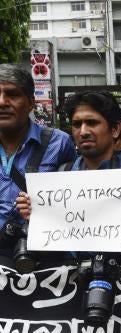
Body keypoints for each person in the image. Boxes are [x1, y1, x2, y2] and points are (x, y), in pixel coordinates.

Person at [17, 91, 121, 260]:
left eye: (92, 123)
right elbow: (50, 250)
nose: (83, 131)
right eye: (77, 124)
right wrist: (37, 221)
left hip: (119, 281)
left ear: (115, 129)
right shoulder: (62, 175)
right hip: (68, 282)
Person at [0, 63, 76, 253]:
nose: (2, 102)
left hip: (44, 261)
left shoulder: (59, 143)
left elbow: (76, 201)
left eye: (12, 94)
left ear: (31, 102)